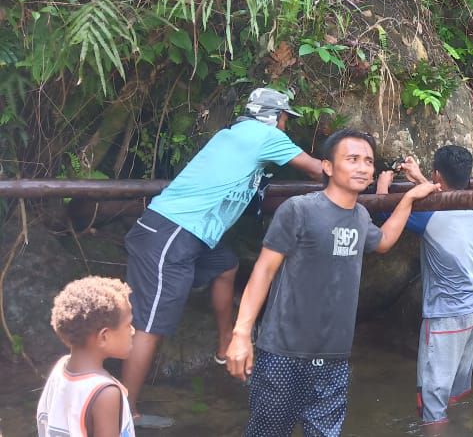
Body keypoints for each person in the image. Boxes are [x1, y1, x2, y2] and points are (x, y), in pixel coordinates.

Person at [121, 88, 323, 428]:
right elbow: (318, 170)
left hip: (189, 235)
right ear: (272, 116)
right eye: (286, 119)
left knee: (225, 265)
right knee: (150, 324)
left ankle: (224, 344)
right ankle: (125, 411)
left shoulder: (232, 134)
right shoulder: (264, 135)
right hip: (171, 232)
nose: (286, 127)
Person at [224, 128, 439, 436]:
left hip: (334, 356)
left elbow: (385, 242)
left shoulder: (361, 217)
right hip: (285, 351)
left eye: (368, 161)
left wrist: (408, 199)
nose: (363, 167)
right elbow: (263, 271)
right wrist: (241, 333)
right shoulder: (299, 209)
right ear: (327, 166)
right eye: (352, 159)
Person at [376, 146, 473, 430]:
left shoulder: (429, 216)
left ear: (438, 173)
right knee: (453, 392)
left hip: (446, 317)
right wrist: (419, 178)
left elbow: (386, 220)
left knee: (432, 404)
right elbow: (439, 197)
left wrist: (382, 188)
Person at [36, 277, 136, 437]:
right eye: (127, 325)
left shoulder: (59, 371)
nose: (132, 331)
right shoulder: (106, 393)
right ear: (104, 336)